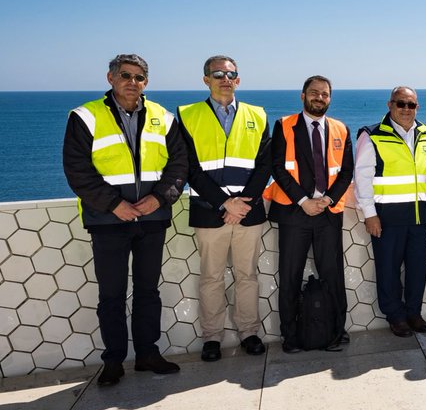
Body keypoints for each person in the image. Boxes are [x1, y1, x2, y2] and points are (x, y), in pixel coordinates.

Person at [62, 54, 188, 386]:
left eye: (139, 77)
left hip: (152, 219)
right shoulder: (85, 116)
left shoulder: (164, 117)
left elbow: (179, 166)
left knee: (148, 290)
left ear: (147, 82)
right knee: (112, 294)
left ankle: (148, 354)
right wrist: (114, 205)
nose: (132, 82)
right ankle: (113, 361)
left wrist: (159, 198)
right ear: (110, 77)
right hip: (108, 222)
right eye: (125, 75)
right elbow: (77, 170)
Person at [177, 56, 271, 362]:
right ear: (206, 79)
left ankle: (250, 332)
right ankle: (212, 338)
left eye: (231, 74)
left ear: (238, 80)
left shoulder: (257, 115)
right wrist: (224, 202)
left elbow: (264, 164)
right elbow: (189, 167)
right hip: (209, 210)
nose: (225, 79)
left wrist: (241, 205)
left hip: (248, 212)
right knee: (211, 277)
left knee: (248, 275)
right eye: (218, 74)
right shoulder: (187, 115)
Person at [266, 75, 355, 351]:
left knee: (333, 275)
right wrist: (304, 200)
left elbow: (346, 171)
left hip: (328, 213)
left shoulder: (341, 128)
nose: (319, 98)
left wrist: (327, 199)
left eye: (325, 94)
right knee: (290, 275)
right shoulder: (284, 125)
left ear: (330, 98)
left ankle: (336, 332)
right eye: (314, 93)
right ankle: (290, 336)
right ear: (302, 96)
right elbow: (278, 168)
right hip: (294, 213)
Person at [354, 87, 426, 337]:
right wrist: (369, 214)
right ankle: (395, 316)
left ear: (417, 108)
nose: (405, 109)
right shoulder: (372, 135)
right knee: (388, 269)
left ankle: (413, 313)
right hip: (387, 217)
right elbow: (362, 177)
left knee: (417, 268)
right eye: (400, 103)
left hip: (419, 216)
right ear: (390, 105)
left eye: (411, 105)